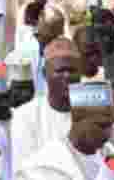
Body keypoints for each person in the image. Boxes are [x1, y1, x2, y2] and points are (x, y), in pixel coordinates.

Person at [11, 37, 79, 168]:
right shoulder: (25, 116)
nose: (67, 76)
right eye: (60, 71)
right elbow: (24, 169)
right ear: (44, 73)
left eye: (72, 71)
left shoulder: (95, 111)